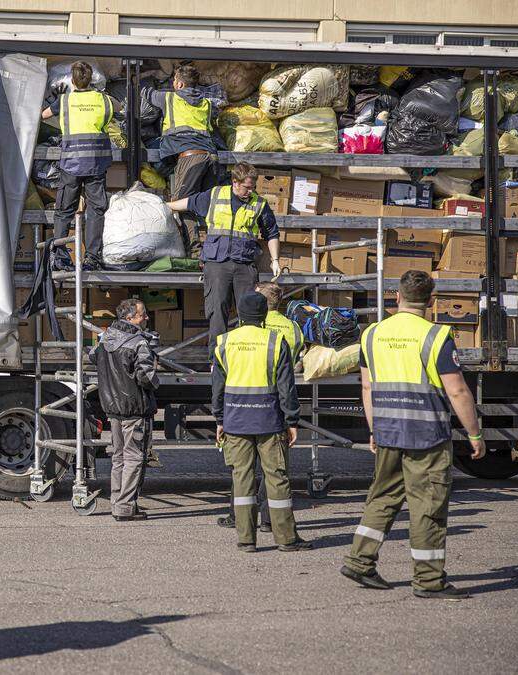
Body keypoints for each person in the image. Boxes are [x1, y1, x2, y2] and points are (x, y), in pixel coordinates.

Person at [341, 271, 485, 599]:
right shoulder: (435, 336)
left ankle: (360, 561)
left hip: (388, 430)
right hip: (427, 435)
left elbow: (367, 386)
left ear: (396, 297)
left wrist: (374, 429)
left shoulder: (372, 334)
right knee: (428, 505)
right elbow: (458, 391)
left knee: (383, 498)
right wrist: (474, 434)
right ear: (431, 301)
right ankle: (429, 580)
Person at [211, 292, 310, 553]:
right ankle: (286, 539)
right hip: (269, 422)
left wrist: (219, 419)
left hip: (235, 422)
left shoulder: (224, 342)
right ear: (264, 315)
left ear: (240, 316)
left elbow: (217, 388)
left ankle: (246, 539)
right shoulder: (276, 342)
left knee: (241, 479)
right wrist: (292, 421)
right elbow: (286, 388)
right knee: (277, 479)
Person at [166, 162, 281, 350]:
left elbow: (272, 233)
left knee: (250, 312)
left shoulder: (259, 203)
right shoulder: (215, 195)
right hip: (217, 264)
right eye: (247, 187)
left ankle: (247, 355)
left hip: (245, 265)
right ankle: (217, 360)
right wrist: (164, 206)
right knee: (217, 311)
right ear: (235, 182)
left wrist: (275, 260)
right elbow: (187, 203)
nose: (250, 191)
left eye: (253, 187)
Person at [41, 61, 119, 271]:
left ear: (73, 80)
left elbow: (44, 115)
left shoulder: (65, 101)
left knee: (65, 210)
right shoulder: (104, 100)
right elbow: (118, 108)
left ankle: (60, 256)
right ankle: (92, 258)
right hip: (96, 165)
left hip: (72, 164)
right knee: (95, 211)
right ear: (91, 79)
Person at [92, 298, 162, 521]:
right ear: (130, 318)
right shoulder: (139, 342)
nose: (146, 318)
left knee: (119, 457)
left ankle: (118, 502)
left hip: (112, 408)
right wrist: (156, 381)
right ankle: (124, 506)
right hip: (135, 407)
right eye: (143, 315)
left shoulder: (105, 338)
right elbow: (146, 376)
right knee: (134, 457)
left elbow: (93, 357)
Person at [148, 64, 221, 255]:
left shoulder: (169, 97)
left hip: (191, 158)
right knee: (210, 206)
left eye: (174, 81)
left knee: (183, 204)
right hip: (212, 157)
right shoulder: (206, 103)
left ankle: (195, 251)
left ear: (179, 84)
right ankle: (215, 248)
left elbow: (147, 94)